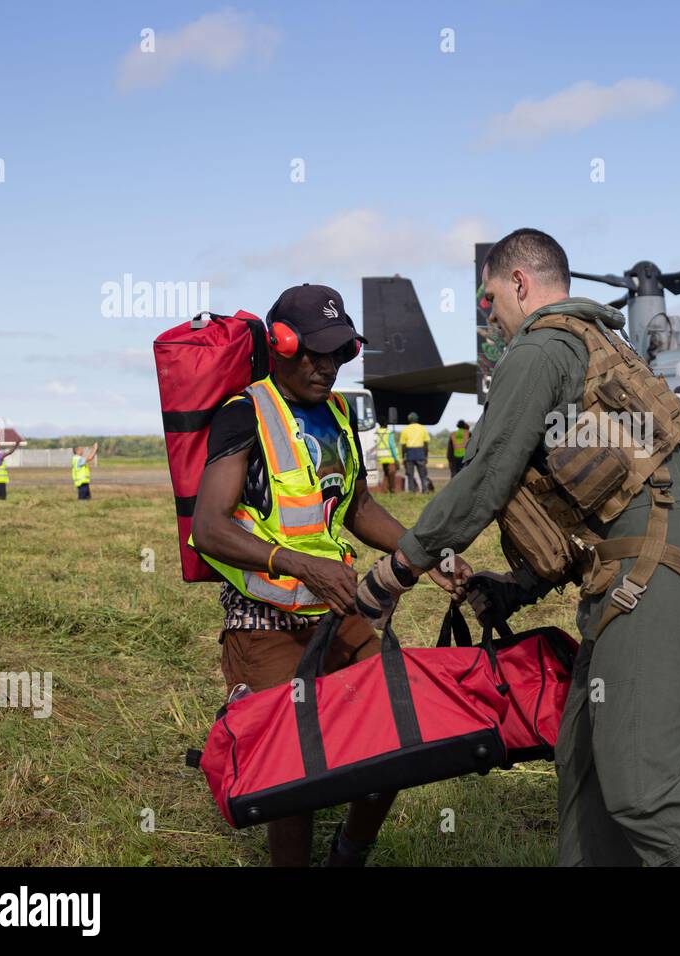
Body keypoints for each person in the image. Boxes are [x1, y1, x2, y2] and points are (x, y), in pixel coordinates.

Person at [390, 229, 680, 867]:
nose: (488, 313)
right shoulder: (597, 349)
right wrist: (513, 586)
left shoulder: (542, 348)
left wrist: (397, 568)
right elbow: (592, 512)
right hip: (636, 576)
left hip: (652, 578)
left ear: (519, 283)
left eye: (489, 297)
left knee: (650, 792)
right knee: (588, 770)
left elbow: (485, 477)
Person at [190, 283, 470, 867]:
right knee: (292, 777)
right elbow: (208, 529)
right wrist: (296, 564)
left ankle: (350, 854)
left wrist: (428, 552)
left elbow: (360, 508)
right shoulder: (245, 415)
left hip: (340, 613)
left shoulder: (339, 414)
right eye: (315, 353)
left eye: (340, 353)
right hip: (267, 623)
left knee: (395, 735)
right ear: (283, 345)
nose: (328, 367)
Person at [399, 412, 429, 493]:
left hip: (410, 453)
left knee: (410, 474)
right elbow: (426, 444)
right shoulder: (422, 428)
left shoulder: (405, 429)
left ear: (409, 419)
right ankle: (425, 490)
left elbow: (403, 446)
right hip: (420, 452)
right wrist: (426, 456)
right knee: (423, 474)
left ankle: (412, 491)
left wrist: (403, 457)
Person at [376, 424, 400, 495]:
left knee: (386, 474)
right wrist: (396, 458)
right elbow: (392, 445)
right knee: (392, 474)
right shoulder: (388, 432)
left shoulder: (376, 432)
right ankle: (392, 490)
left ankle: (384, 491)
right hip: (389, 457)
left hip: (381, 457)